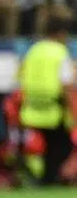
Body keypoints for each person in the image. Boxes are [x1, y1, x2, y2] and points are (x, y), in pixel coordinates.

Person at [18, 14, 76, 185]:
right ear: (61, 33)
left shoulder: (33, 51)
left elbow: (21, 77)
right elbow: (67, 85)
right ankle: (52, 180)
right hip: (53, 111)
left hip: (32, 111)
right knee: (61, 148)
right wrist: (74, 113)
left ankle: (43, 178)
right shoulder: (60, 53)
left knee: (47, 150)